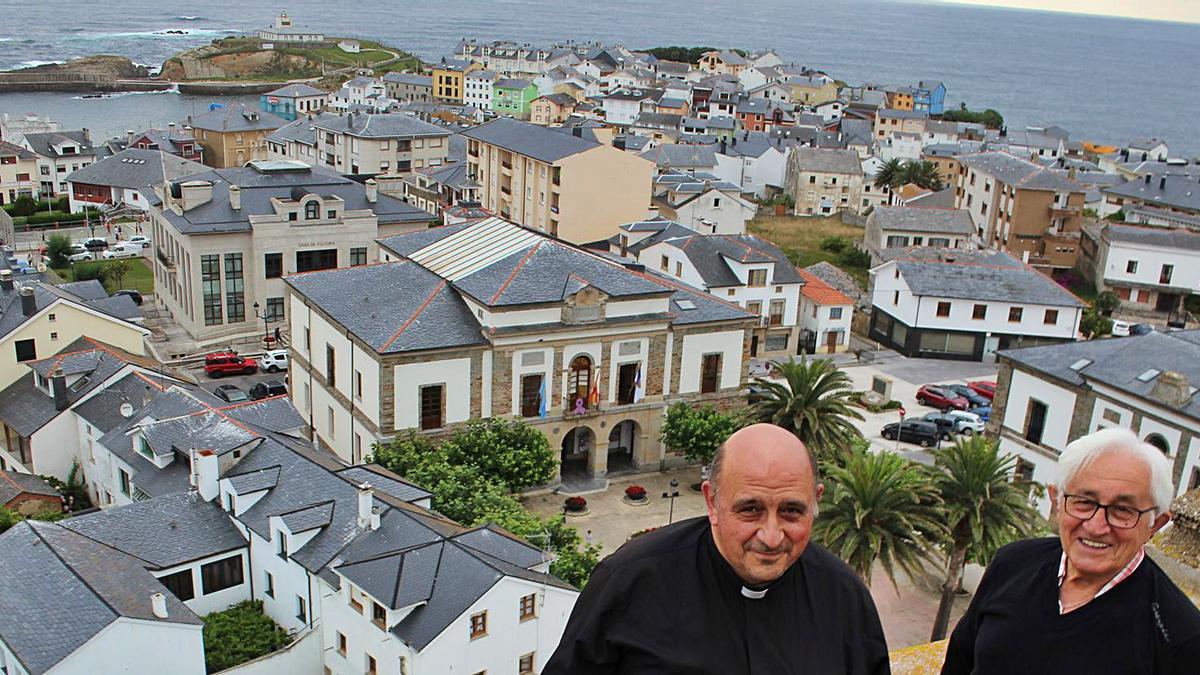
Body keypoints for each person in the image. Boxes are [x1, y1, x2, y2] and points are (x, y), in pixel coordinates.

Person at [544, 423, 889, 674]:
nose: (771, 536)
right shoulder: (629, 581)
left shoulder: (844, 596)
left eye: (791, 511)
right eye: (750, 509)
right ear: (712, 501)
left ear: (816, 503)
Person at [942, 427, 1200, 674]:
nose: (1096, 526)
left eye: (1123, 510)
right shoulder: (1012, 562)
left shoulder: (1181, 636)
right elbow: (960, 660)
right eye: (1084, 502)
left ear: (1155, 524)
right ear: (1057, 501)